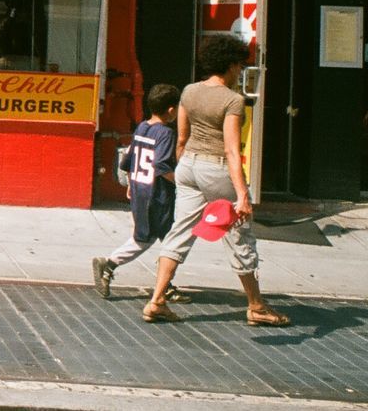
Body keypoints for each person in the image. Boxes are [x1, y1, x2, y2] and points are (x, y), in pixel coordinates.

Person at [142, 35, 290, 326]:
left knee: (179, 232)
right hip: (217, 169)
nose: (240, 72)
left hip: (189, 168)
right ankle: (256, 306)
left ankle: (157, 300)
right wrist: (243, 194)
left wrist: (186, 167)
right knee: (240, 236)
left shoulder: (189, 91)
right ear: (231, 65)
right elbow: (232, 150)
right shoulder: (233, 100)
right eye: (239, 66)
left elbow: (182, 139)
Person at [92, 84, 189, 302]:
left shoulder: (143, 127)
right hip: (157, 196)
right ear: (172, 111)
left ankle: (165, 285)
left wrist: (129, 183)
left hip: (140, 190)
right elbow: (162, 165)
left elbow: (129, 159)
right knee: (146, 239)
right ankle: (109, 263)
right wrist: (182, 183)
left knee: (169, 238)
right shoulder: (165, 133)